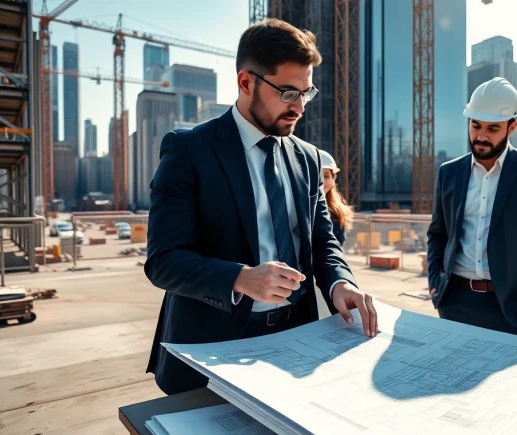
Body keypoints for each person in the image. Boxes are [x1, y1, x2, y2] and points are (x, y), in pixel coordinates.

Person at [144, 18, 378, 396]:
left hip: (298, 341)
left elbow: (323, 240)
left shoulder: (308, 158)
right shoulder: (189, 151)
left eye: (306, 93)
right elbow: (163, 261)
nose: (299, 107)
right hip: (212, 349)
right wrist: (240, 278)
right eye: (287, 92)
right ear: (245, 83)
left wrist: (340, 282)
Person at [426, 77, 517, 339]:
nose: (481, 136)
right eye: (476, 125)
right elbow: (438, 234)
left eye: (492, 128)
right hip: (455, 304)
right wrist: (436, 284)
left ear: (511, 127)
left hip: (515, 309)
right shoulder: (449, 173)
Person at [318, 149, 353, 247]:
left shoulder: (338, 213)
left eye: (326, 176)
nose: (322, 181)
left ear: (333, 179)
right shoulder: (297, 209)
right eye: (317, 176)